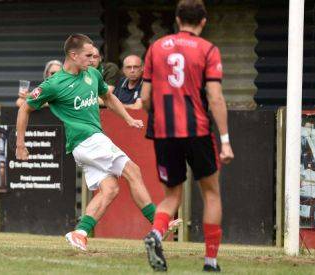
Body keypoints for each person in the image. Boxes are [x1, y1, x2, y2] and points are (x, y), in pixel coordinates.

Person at [15, 34, 158, 252]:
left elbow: (109, 98)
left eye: (94, 55)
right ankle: (159, 225)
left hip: (86, 145)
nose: (93, 59)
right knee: (133, 170)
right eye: (88, 55)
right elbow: (25, 107)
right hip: (87, 140)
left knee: (110, 189)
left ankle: (79, 233)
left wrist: (128, 119)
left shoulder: (92, 74)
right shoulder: (54, 84)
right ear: (73, 55)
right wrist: (20, 144)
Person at [141, 0, 234, 272]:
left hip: (164, 132)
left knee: (171, 196)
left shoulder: (156, 48)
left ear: (178, 19)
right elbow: (215, 98)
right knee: (211, 194)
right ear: (203, 22)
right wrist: (225, 141)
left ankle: (156, 234)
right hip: (197, 131)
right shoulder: (208, 49)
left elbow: (145, 98)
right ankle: (210, 261)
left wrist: (159, 116)